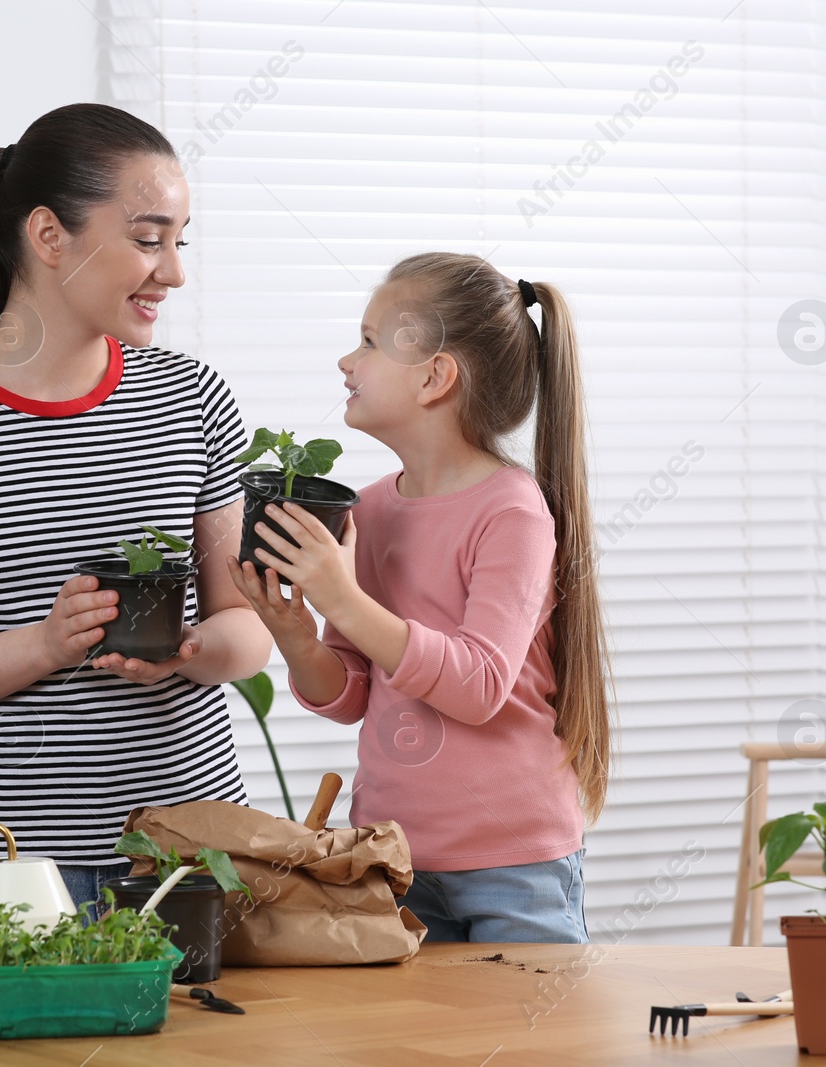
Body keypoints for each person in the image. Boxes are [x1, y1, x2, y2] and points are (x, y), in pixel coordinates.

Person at [0, 103, 272, 919]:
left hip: (184, 857)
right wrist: (41, 644)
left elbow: (246, 628)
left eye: (181, 241)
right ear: (47, 233)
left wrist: (192, 647)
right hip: (3, 869)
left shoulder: (193, 399)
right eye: (147, 238)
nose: (172, 271)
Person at [228, 252, 611, 943]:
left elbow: (479, 684)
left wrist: (344, 599)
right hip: (392, 859)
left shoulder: (511, 511)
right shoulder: (371, 509)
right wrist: (298, 635)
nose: (348, 360)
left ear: (436, 377)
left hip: (514, 863)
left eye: (371, 342)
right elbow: (349, 691)